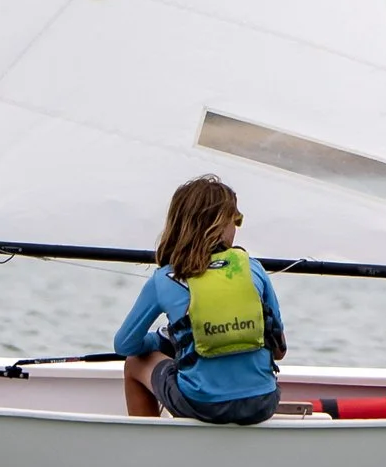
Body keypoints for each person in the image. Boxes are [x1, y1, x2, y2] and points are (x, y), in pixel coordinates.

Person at [115, 176, 288, 424]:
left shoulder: (165, 278)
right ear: (221, 225)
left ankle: (149, 446)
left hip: (202, 405)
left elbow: (124, 345)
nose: (236, 228)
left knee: (134, 363)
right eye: (235, 220)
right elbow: (280, 351)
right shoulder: (253, 269)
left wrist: (161, 340)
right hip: (263, 403)